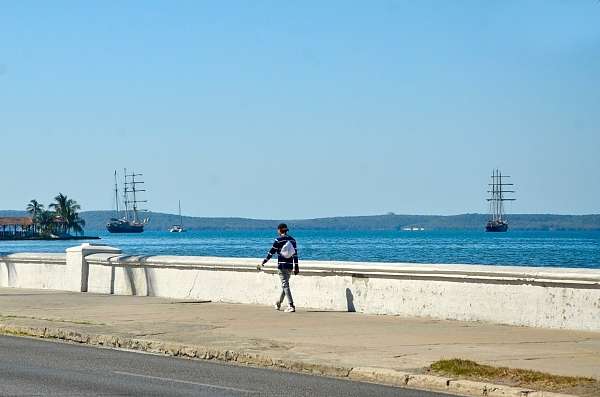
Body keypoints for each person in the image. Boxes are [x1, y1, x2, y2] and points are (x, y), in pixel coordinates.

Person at [258, 223, 299, 313]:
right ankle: (278, 303)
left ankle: (291, 305)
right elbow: (295, 255)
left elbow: (271, 252)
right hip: (290, 266)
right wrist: (296, 267)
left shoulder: (278, 240)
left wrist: (264, 261)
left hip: (282, 266)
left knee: (285, 285)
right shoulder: (293, 240)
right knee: (285, 285)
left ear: (280, 230)